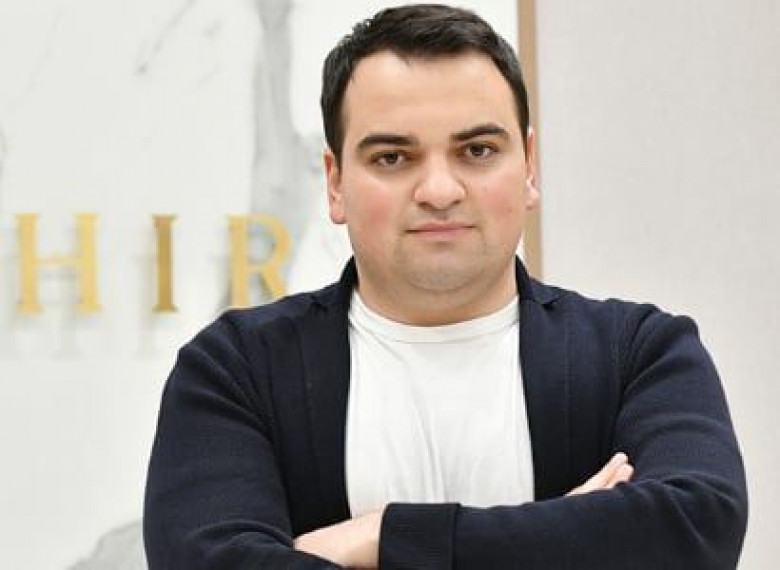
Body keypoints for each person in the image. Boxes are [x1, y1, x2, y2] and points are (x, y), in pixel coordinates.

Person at [143, 4, 748, 568]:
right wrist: (561, 536)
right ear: (335, 182)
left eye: (477, 150)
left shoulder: (638, 353)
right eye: (392, 158)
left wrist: (380, 537)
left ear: (529, 167)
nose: (439, 190)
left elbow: (697, 527)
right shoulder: (235, 371)